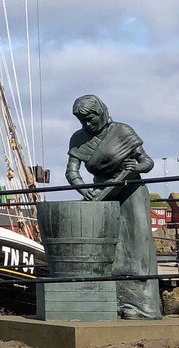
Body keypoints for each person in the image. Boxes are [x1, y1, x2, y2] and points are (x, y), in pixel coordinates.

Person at [65, 94, 161, 319]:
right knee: (112, 249)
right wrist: (84, 189)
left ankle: (144, 308)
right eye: (82, 120)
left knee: (138, 248)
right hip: (103, 194)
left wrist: (136, 166)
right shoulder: (78, 138)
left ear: (101, 112)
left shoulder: (122, 131)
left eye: (90, 118)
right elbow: (71, 171)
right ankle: (115, 302)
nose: (87, 124)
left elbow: (148, 162)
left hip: (131, 191)